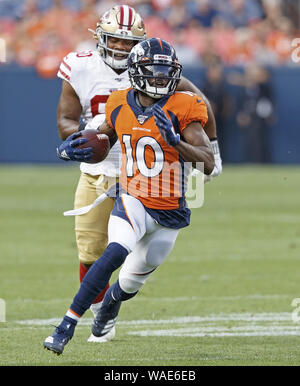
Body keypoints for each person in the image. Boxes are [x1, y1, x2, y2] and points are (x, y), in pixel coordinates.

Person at [55, 4, 222, 343]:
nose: (119, 47)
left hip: (158, 181)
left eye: (125, 42)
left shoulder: (162, 74)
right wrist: (85, 138)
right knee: (95, 251)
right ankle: (85, 318)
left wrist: (210, 152)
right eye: (113, 40)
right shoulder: (85, 69)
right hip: (103, 170)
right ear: (100, 38)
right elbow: (67, 123)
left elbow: (200, 103)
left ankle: (108, 307)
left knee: (133, 269)